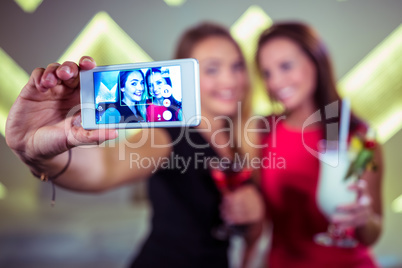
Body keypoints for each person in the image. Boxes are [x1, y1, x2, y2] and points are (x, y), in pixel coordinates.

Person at [5, 22, 264, 267]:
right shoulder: (165, 135)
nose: (230, 80)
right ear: (189, 78)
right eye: (212, 69)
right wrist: (38, 154)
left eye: (237, 66)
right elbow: (104, 168)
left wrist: (255, 216)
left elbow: (247, 234)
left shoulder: (243, 138)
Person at [226, 21, 383, 267]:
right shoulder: (262, 131)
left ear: (315, 61)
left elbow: (372, 235)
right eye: (267, 73)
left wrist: (364, 217)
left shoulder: (361, 137)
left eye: (285, 66)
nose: (276, 82)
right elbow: (256, 223)